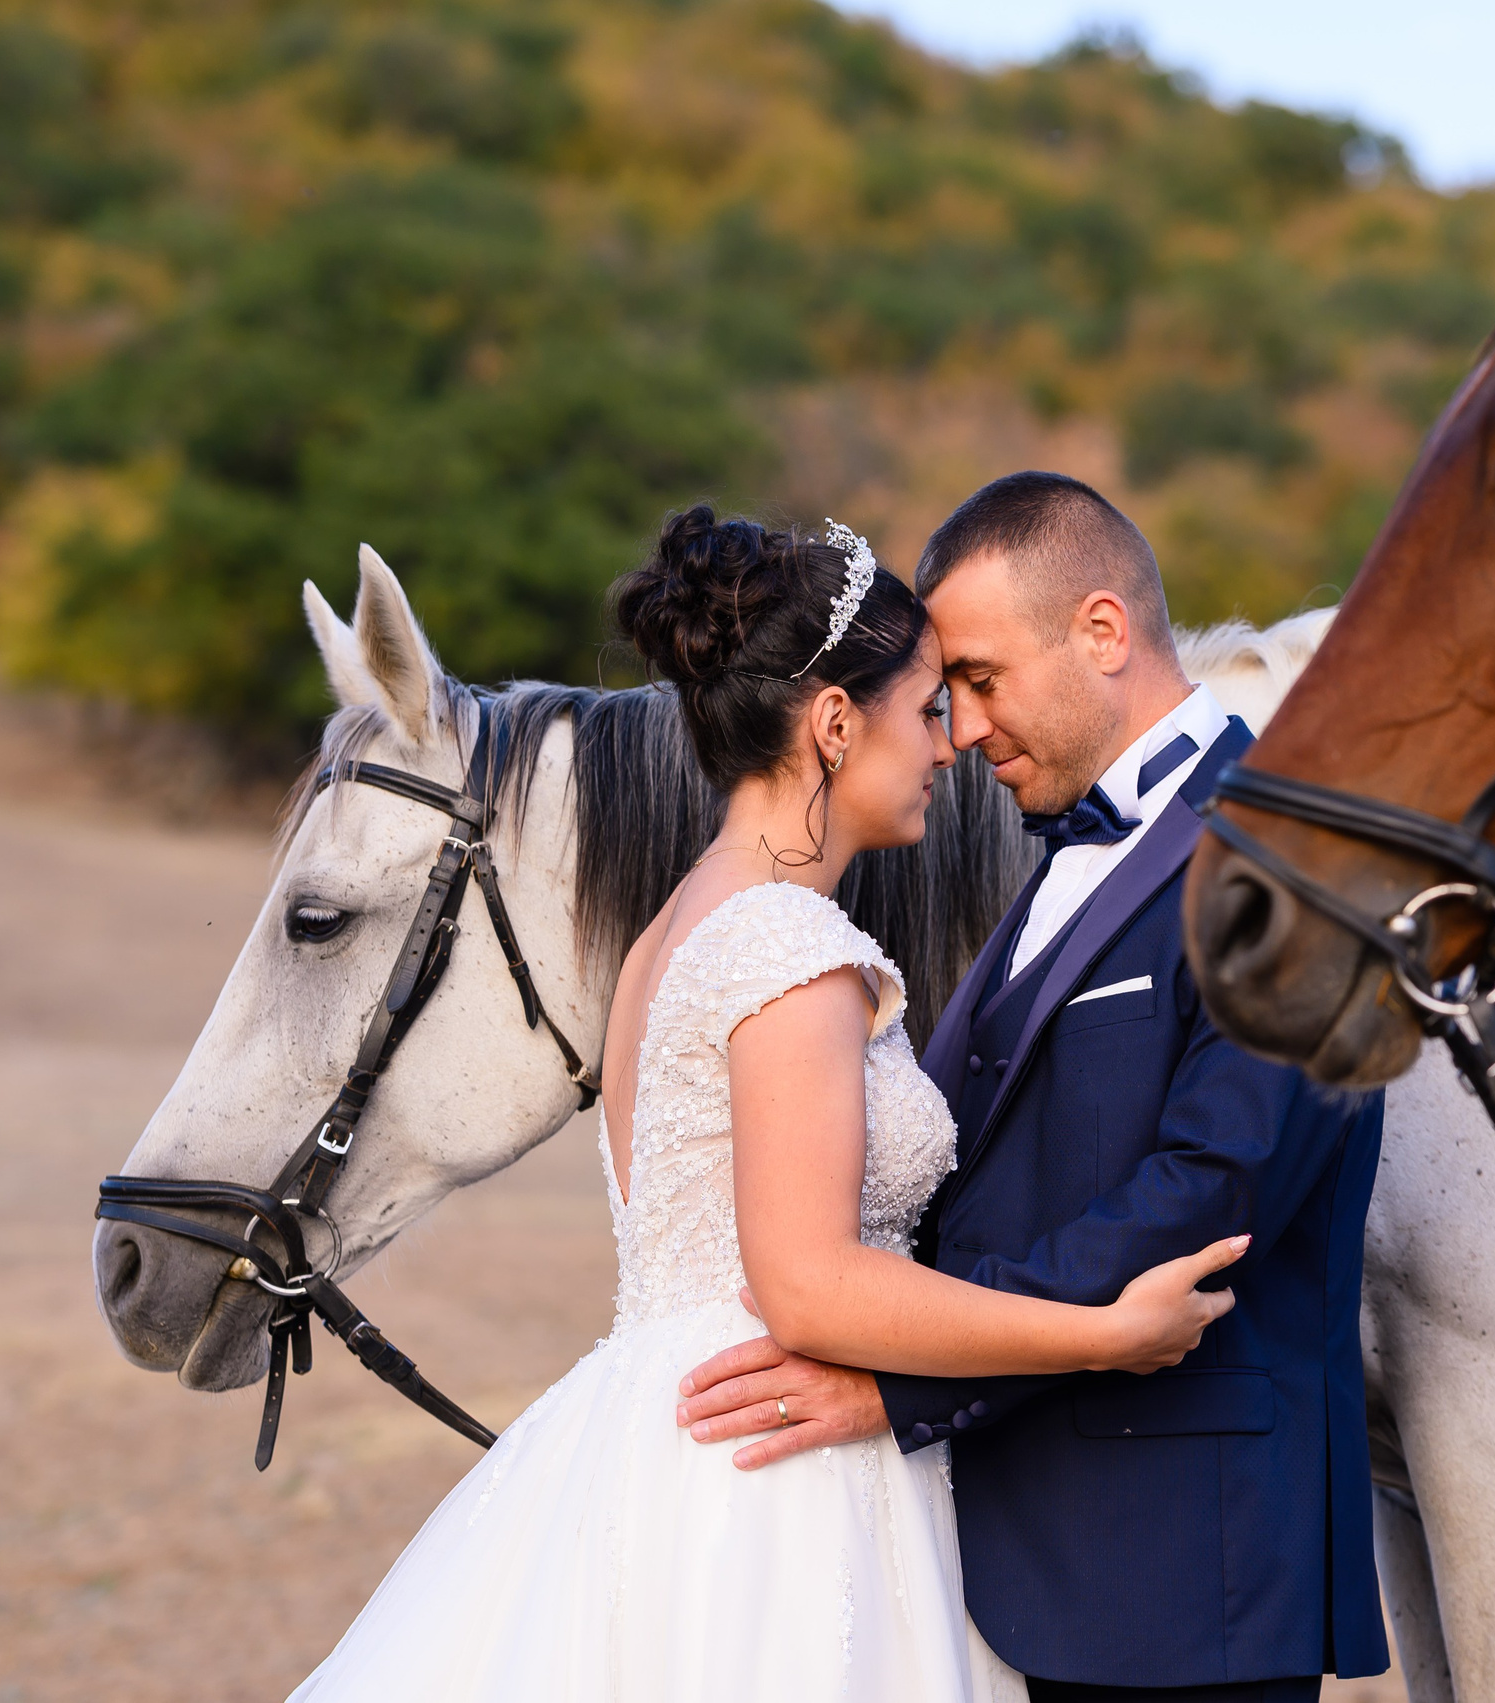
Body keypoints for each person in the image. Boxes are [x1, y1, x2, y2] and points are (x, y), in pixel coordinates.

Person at [289, 507, 1245, 1701]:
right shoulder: (787, 945)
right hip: (785, 1481)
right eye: (926, 705)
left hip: (670, 1439)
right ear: (837, 723)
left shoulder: (673, 932)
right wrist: (1102, 1334)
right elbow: (810, 1283)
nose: (951, 744)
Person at [675, 473, 1389, 1701]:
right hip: (1019, 1540)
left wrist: (901, 1372)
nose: (959, 728)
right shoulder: (1055, 856)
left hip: (1181, 1562)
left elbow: (1207, 1194)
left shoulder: (1299, 854)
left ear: (1103, 633)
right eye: (947, 694)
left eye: (984, 680)